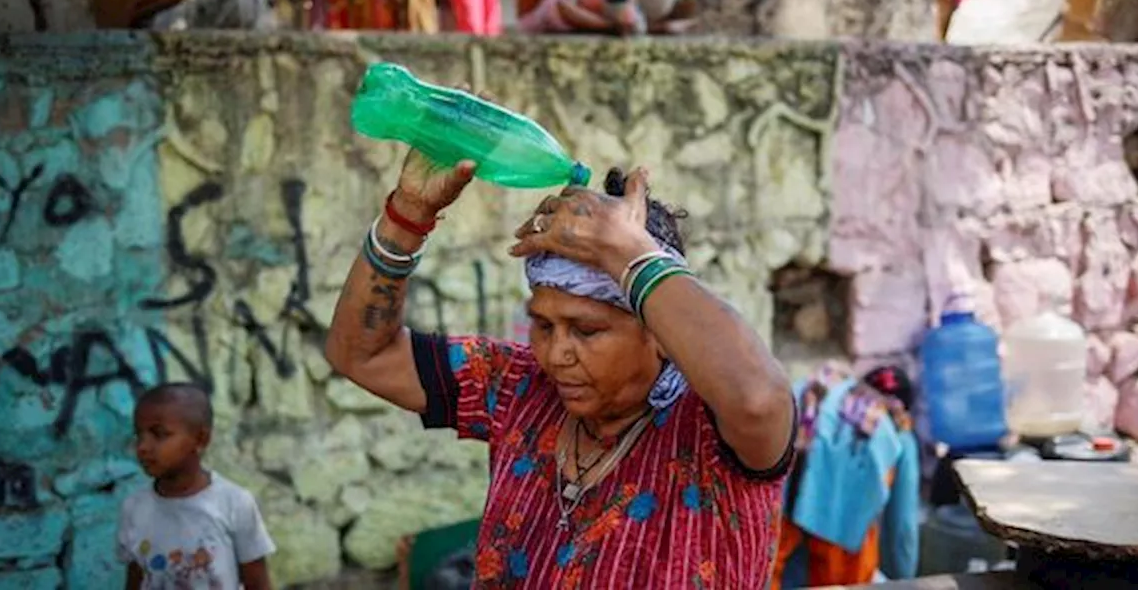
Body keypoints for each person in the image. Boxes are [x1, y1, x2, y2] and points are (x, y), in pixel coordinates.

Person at [325, 151, 797, 589]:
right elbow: (363, 355)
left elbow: (759, 399)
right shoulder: (517, 387)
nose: (556, 354)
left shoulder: (712, 435)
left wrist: (627, 255)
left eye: (586, 331)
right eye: (543, 324)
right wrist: (408, 215)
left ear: (658, 333)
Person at [770, 363, 919, 588]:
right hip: (839, 530)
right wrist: (907, 580)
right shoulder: (898, 433)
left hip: (781, 489)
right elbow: (903, 527)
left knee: (770, 567)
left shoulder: (823, 391)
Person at [117, 383, 276, 590]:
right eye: (139, 435)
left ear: (201, 439)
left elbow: (258, 584)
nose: (143, 447)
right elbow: (136, 578)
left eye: (159, 434)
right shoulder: (134, 508)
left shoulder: (234, 503)